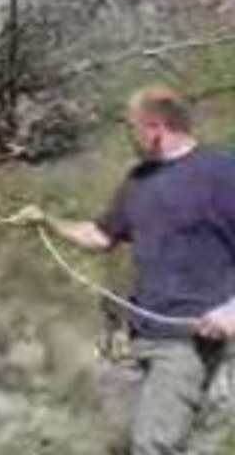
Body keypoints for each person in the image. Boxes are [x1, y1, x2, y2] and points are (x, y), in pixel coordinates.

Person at [18, 86, 235, 454]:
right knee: (120, 444)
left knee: (154, 446)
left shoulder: (221, 173)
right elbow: (101, 236)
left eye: (130, 128)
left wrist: (231, 310)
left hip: (189, 339)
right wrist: (47, 221)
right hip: (138, 338)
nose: (129, 138)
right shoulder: (139, 182)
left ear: (154, 127)